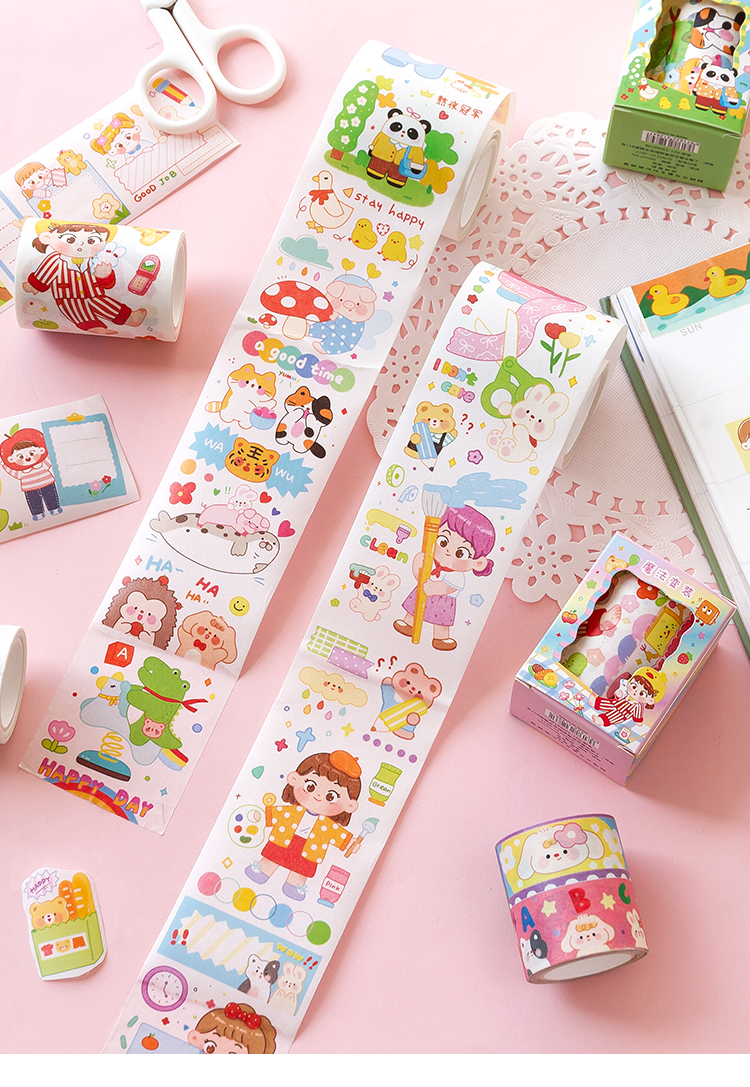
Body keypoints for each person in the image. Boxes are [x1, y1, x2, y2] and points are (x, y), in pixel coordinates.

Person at [246, 750, 361, 901]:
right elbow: (275, 814)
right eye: (311, 786)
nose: (318, 795)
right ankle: (262, 871)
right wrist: (261, 816)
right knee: (273, 856)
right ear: (294, 779)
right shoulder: (291, 812)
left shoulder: (328, 826)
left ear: (350, 805)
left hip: (310, 849)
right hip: (284, 840)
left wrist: (350, 844)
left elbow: (339, 836)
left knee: (301, 869)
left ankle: (293, 886)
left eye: (331, 796)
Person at [394, 505, 495, 650]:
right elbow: (418, 575)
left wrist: (435, 588)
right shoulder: (430, 561)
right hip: (423, 592)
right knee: (413, 609)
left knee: (441, 622)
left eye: (461, 552)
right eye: (442, 541)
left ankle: (441, 638)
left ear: (477, 563)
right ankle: (409, 624)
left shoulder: (457, 576)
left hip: (443, 603)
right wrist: (417, 565)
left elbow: (448, 588)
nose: (447, 551)